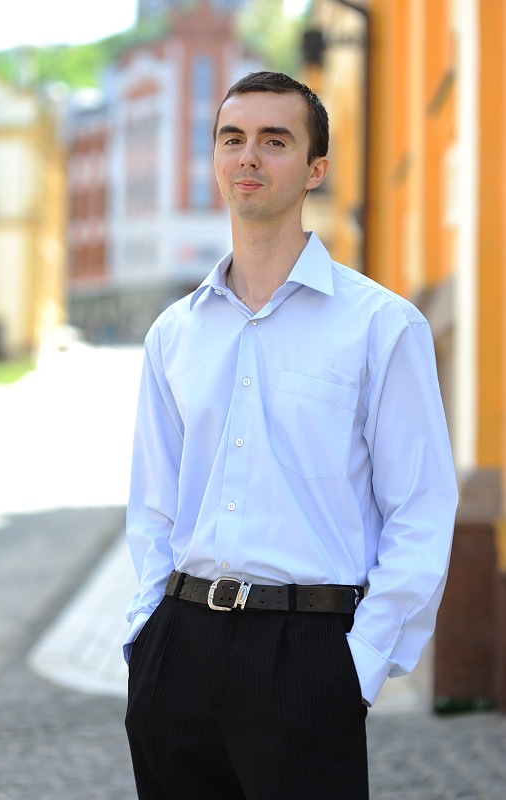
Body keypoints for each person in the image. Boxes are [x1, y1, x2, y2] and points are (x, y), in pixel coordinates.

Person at [124, 71, 458, 799]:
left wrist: (357, 666)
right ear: (215, 159)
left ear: (315, 169)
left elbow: (422, 510)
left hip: (307, 654)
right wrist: (146, 636)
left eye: (275, 141)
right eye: (232, 139)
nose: (248, 156)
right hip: (179, 650)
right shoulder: (174, 333)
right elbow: (153, 504)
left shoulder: (381, 326)